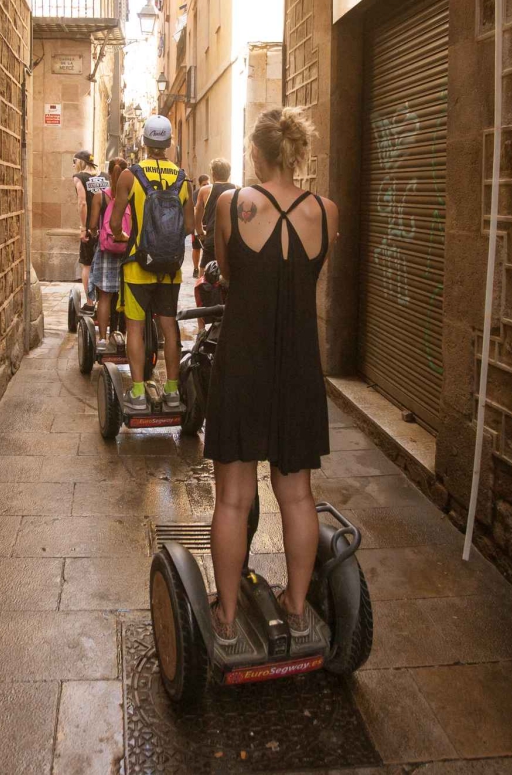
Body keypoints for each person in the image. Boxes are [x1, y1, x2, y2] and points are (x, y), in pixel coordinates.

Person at [203, 108, 339, 643]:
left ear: (257, 154)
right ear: (296, 153)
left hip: (242, 360)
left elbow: (227, 272)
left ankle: (226, 617)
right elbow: (305, 274)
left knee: (233, 499)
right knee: (298, 496)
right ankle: (298, 609)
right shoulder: (326, 211)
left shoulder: (231, 205)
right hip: (298, 366)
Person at [108, 116, 191, 414]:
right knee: (169, 327)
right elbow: (189, 226)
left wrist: (124, 236)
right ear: (168, 143)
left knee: (135, 328)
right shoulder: (183, 178)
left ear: (144, 141)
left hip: (137, 266)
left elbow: (114, 223)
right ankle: (172, 391)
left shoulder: (130, 176)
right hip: (169, 270)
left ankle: (138, 392)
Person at [87, 157, 130, 352]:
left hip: (106, 251)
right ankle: (124, 335)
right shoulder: (131, 196)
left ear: (109, 172)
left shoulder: (100, 196)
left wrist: (95, 234)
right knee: (126, 296)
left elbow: (92, 225)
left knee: (104, 297)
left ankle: (103, 339)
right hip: (127, 250)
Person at [72, 151, 103, 302]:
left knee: (87, 265)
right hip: (105, 228)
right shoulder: (105, 176)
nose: (73, 165)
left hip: (91, 228)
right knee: (104, 265)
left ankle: (90, 303)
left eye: (74, 161)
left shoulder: (79, 177)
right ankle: (104, 302)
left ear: (80, 162)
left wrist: (83, 228)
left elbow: (82, 202)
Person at [196, 157, 236, 270]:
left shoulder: (205, 190)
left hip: (212, 237)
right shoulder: (238, 189)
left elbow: (197, 215)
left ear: (213, 173)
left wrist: (200, 232)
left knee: (204, 270)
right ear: (229, 173)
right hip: (231, 238)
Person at [190, 174, 211, 274]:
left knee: (208, 249)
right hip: (197, 224)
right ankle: (196, 268)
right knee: (196, 248)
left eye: (208, 183)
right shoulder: (195, 194)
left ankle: (207, 269)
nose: (206, 186)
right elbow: (195, 209)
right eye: (204, 184)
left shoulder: (212, 192)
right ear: (200, 185)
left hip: (208, 224)